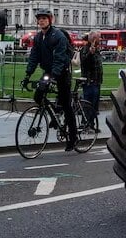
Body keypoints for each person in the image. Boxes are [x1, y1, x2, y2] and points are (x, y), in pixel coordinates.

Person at [22, 8, 77, 151]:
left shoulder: (58, 36)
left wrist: (53, 76)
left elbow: (60, 58)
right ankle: (54, 116)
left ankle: (73, 137)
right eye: (39, 19)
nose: (41, 21)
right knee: (38, 95)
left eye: (44, 19)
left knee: (66, 104)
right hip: (48, 71)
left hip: (62, 72)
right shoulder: (39, 37)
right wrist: (28, 75)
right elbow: (34, 57)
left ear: (50, 20)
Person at [80, 30, 103, 127]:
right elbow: (84, 62)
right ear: (94, 39)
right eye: (99, 38)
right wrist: (90, 53)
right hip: (90, 82)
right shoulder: (86, 49)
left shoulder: (96, 50)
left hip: (96, 82)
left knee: (93, 105)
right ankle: (86, 123)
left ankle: (91, 124)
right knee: (88, 103)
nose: (100, 39)